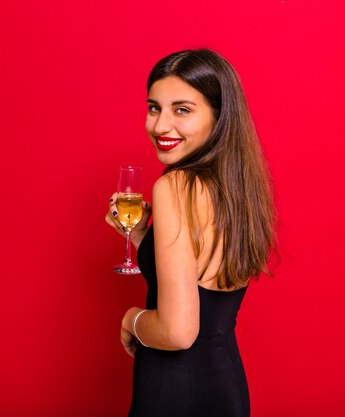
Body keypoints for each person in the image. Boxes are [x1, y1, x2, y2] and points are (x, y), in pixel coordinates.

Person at [105, 48, 278, 417]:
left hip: (173, 391)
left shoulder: (175, 187)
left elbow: (177, 331)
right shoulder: (237, 187)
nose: (161, 126)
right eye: (154, 108)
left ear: (218, 117)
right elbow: (203, 274)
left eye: (182, 110)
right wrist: (140, 238)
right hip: (226, 387)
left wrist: (131, 318)